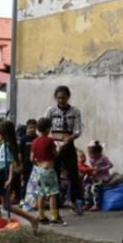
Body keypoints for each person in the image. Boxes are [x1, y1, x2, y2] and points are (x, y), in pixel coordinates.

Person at [0, 120, 39, 242]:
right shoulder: (5, 144)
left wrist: (10, 178)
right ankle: (32, 219)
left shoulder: (8, 145)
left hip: (2, 175)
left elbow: (12, 163)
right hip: (0, 174)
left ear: (5, 133)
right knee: (6, 206)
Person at [44, 85, 84, 216]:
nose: (61, 100)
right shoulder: (51, 111)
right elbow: (45, 127)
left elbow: (78, 130)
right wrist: (54, 139)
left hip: (69, 143)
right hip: (54, 144)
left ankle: (76, 201)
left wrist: (69, 138)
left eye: (64, 98)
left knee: (73, 173)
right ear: (55, 98)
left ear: (68, 97)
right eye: (59, 98)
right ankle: (55, 201)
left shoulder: (75, 111)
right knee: (53, 173)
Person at [30, 117, 64, 226]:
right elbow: (56, 154)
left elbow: (31, 158)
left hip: (39, 170)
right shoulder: (50, 140)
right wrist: (60, 148)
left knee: (41, 193)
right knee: (53, 193)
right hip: (49, 170)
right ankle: (54, 216)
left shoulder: (34, 142)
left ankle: (42, 216)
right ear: (48, 129)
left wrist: (37, 164)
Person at [83, 140, 113, 212]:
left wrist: (102, 169)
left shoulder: (103, 158)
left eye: (92, 154)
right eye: (89, 154)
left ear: (98, 153)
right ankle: (87, 203)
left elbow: (111, 165)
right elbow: (93, 168)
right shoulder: (91, 159)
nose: (90, 156)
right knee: (87, 187)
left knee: (94, 188)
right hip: (96, 177)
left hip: (104, 178)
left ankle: (96, 205)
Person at [18, 119, 38, 204]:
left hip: (35, 164)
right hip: (25, 164)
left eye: (34, 127)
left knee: (35, 182)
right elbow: (19, 153)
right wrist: (20, 164)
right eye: (30, 127)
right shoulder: (23, 139)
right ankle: (23, 199)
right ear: (27, 128)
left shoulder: (37, 138)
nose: (32, 129)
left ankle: (33, 200)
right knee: (25, 182)